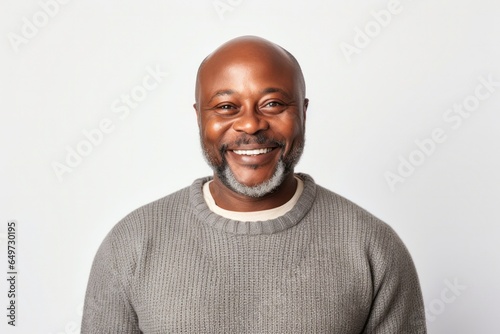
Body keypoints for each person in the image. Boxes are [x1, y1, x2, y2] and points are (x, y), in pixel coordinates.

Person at [82, 35, 427, 333]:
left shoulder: (373, 248)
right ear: (200, 116)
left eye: (273, 104)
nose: (249, 124)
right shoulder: (131, 244)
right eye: (227, 106)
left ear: (303, 112)